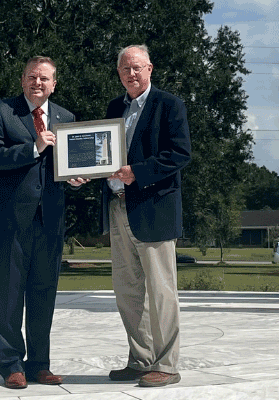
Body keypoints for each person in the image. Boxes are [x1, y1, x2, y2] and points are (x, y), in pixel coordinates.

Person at [0, 56, 87, 389]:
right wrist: (33, 147)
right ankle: (11, 364)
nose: (37, 83)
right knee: (9, 296)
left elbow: (67, 165)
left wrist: (75, 177)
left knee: (43, 294)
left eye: (44, 78)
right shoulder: (1, 112)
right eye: (32, 77)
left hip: (51, 222)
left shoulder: (66, 118)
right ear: (22, 80)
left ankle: (40, 364)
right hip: (10, 221)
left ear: (54, 84)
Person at [101, 44, 192, 387]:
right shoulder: (115, 108)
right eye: (125, 69)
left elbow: (180, 153)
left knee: (161, 292)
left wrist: (138, 171)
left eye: (137, 68)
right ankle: (140, 359)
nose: (131, 74)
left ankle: (166, 365)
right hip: (117, 206)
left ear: (150, 69)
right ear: (119, 74)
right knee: (127, 291)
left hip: (154, 208)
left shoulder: (169, 105)